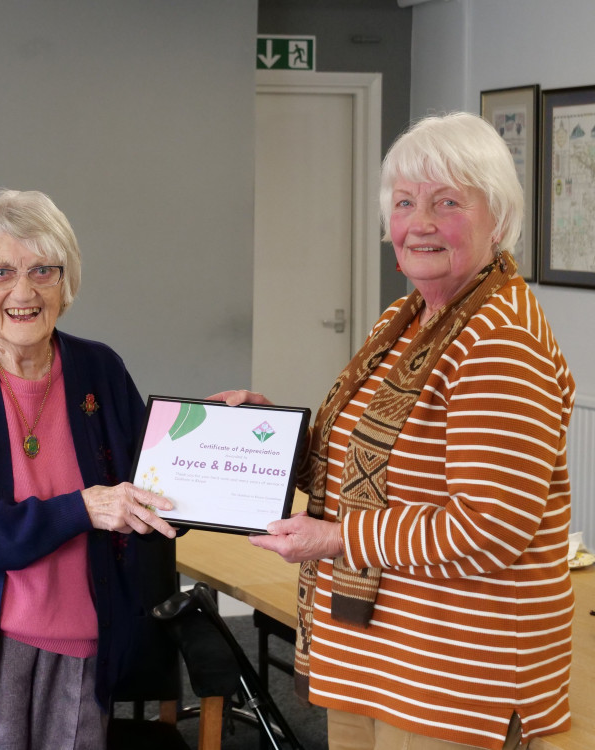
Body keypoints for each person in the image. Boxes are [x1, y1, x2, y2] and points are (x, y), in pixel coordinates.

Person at [218, 112, 575, 750]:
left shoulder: (500, 339)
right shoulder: (407, 319)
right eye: (406, 202)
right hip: (379, 660)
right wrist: (266, 440)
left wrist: (335, 538)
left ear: (497, 214)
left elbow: (489, 528)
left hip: (457, 681)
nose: (421, 222)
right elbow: (368, 462)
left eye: (448, 202)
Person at [0, 188, 177, 749]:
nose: (22, 292)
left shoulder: (99, 368)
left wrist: (220, 430)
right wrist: (83, 508)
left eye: (42, 271)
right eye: (0, 272)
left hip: (83, 640)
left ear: (65, 281)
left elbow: (151, 489)